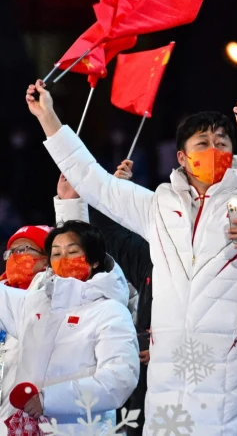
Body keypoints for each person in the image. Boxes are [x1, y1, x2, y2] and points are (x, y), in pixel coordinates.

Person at [25, 81, 237, 435]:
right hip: (170, 389)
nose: (214, 150)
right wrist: (48, 117)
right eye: (203, 144)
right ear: (181, 157)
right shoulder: (158, 207)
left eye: (222, 144)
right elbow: (94, 181)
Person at [0, 220, 138, 434]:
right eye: (56, 254)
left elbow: (119, 379)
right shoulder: (35, 303)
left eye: (72, 252)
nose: (63, 259)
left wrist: (49, 399)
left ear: (94, 261)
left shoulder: (110, 311)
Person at [55, 165, 152, 436]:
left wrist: (167, 348)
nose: (64, 259)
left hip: (153, 390)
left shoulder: (113, 301)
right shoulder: (38, 297)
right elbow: (84, 253)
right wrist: (75, 203)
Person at [0, 224, 51, 427]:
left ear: (47, 257)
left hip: (39, 413)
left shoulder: (53, 297)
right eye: (11, 252)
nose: (15, 256)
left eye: (24, 249)